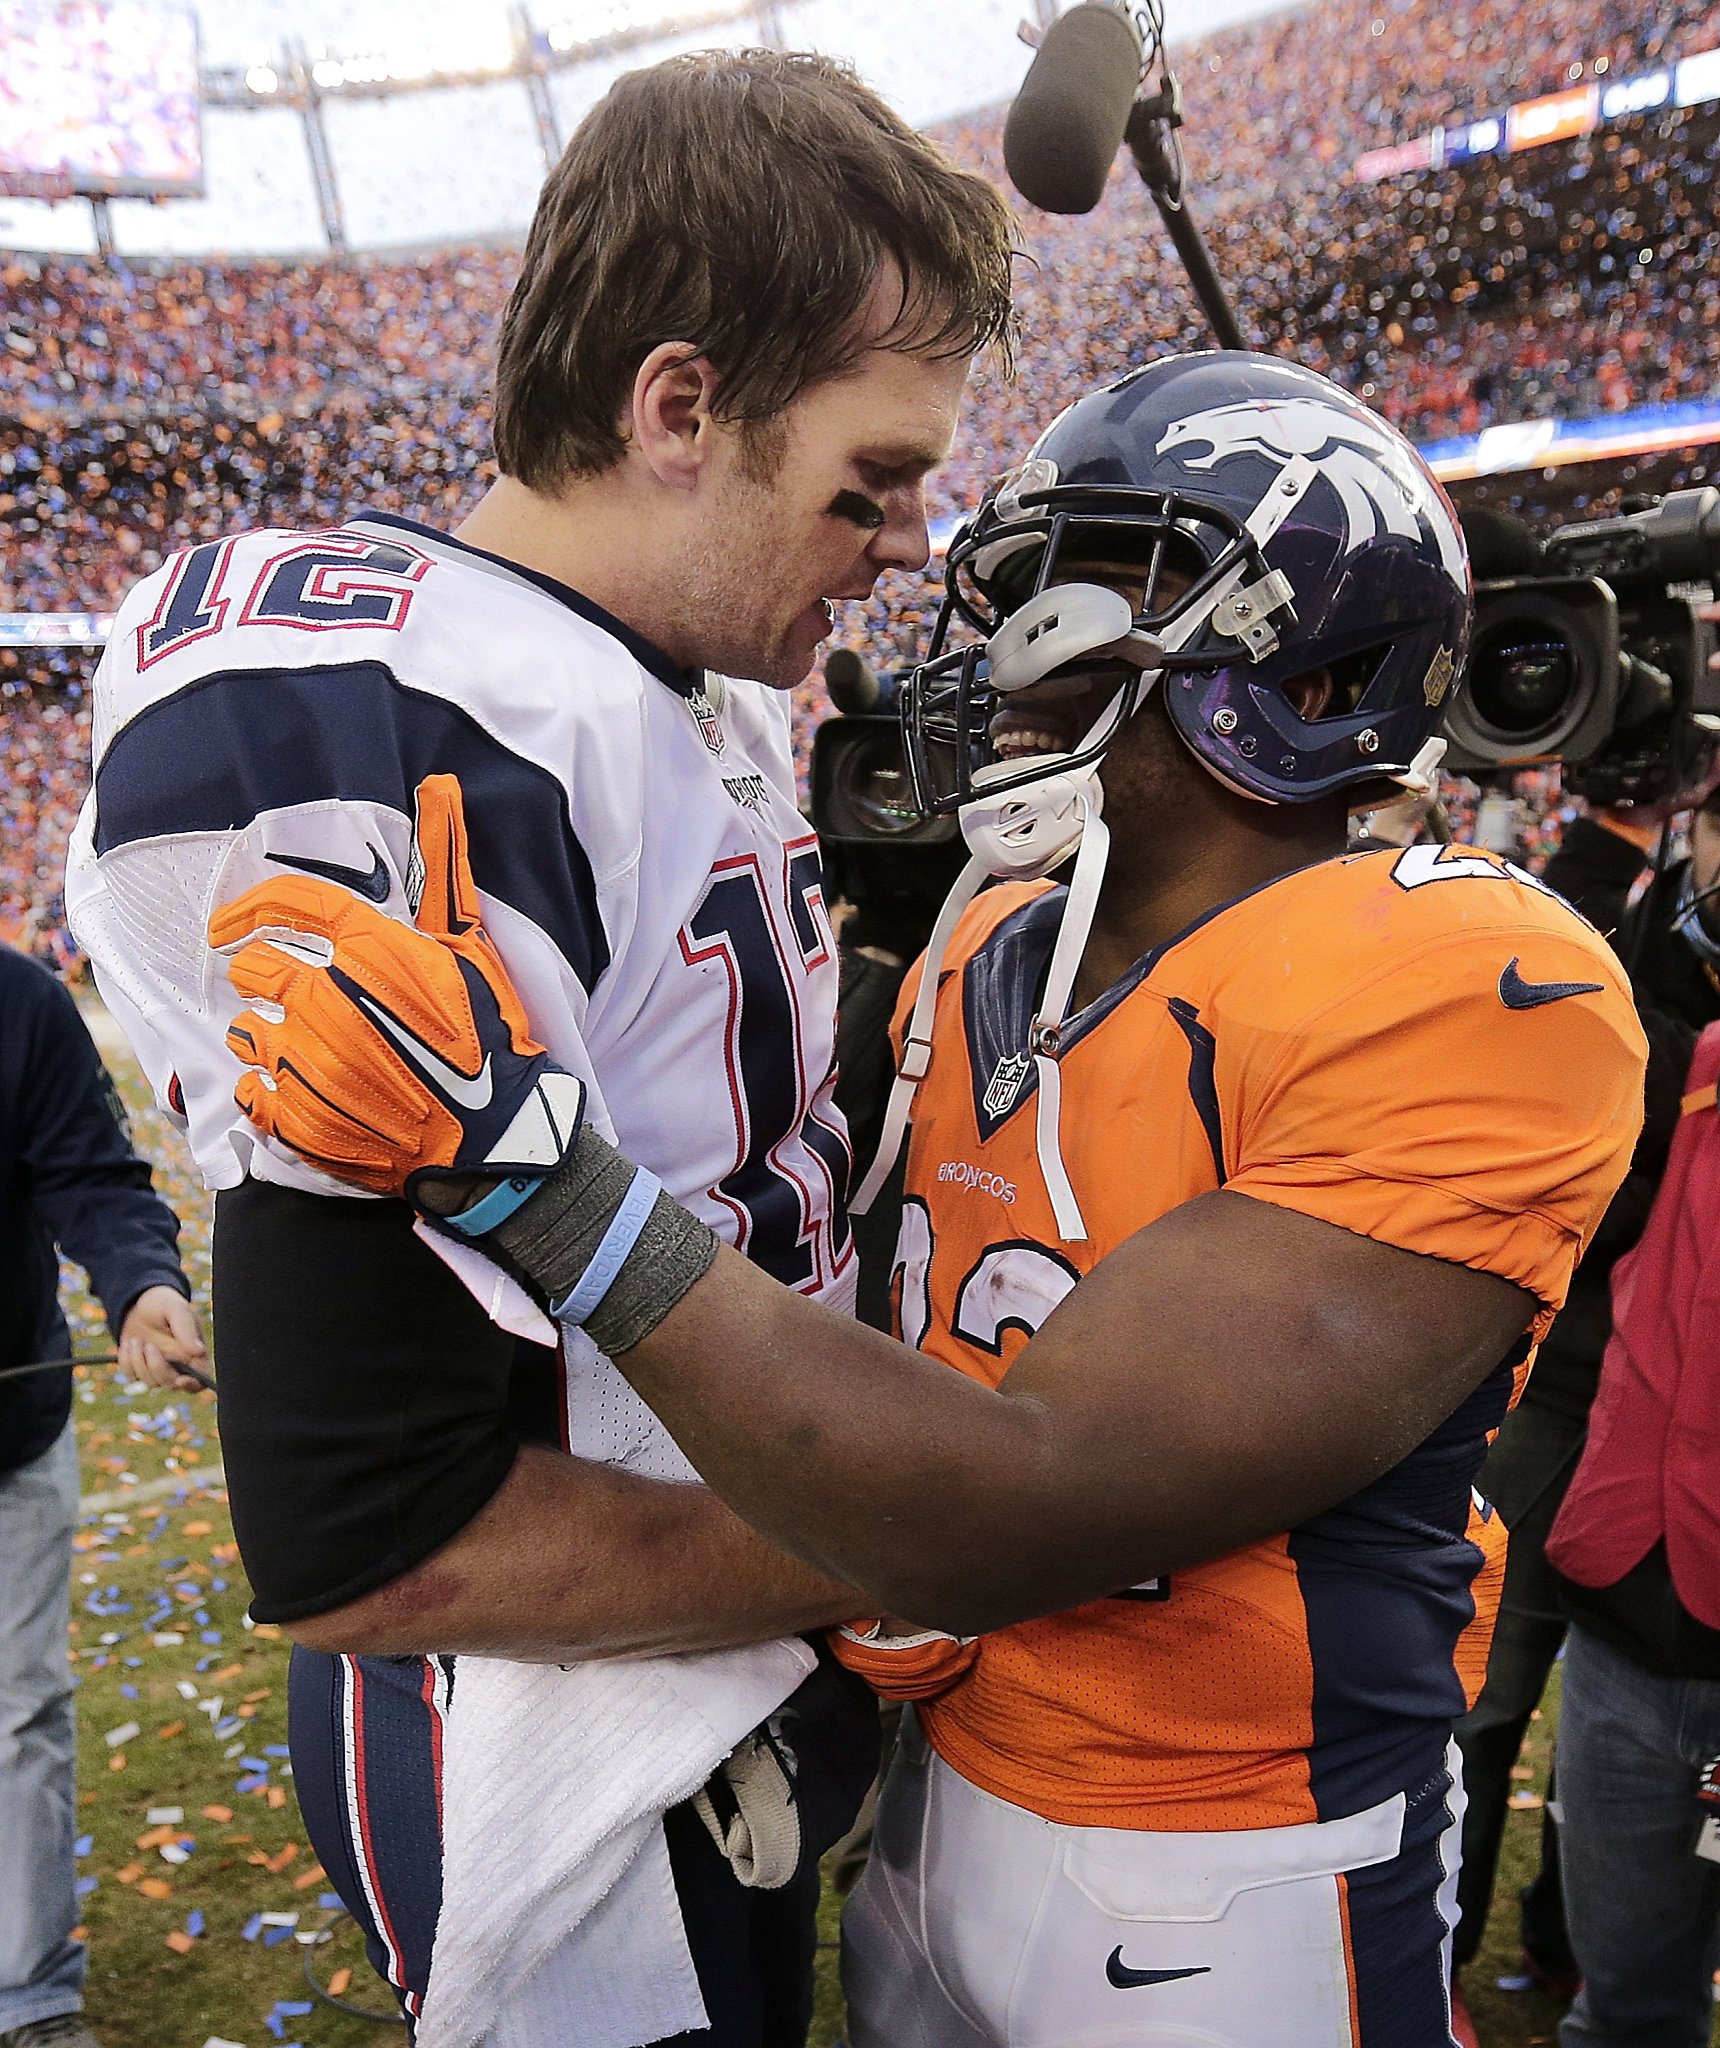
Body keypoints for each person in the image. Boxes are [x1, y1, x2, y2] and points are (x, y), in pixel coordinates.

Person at [206, 352, 1648, 2046]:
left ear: (1307, 667)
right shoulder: (991, 937)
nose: (1018, 644)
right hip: (944, 1797)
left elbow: (1029, 1497)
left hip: (1222, 1856)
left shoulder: (1467, 975)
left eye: (1098, 587)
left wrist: (547, 1184)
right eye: (1026, 580)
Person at [65, 47, 1014, 2047]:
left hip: (707, 1661)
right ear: (680, 406)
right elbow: (373, 1546)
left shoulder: (673, 694)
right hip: (550, 1741)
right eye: (873, 476)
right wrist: (878, 1528)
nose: (911, 536)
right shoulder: (432, 720)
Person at [1450, 788, 1720, 1997]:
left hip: (1664, 1423)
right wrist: (1606, 834)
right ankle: (1460, 1945)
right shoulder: (1650, 920)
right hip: (1576, 1394)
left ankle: (1571, 1938)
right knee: (1493, 1689)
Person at [1536, 801, 1720, 2048]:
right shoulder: (1691, 1069)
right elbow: (1549, 982)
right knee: (1625, 2013)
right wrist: (1606, 823)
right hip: (1621, 1619)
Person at [0, 943, 205, 2048]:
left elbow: (89, 1173)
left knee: (16, 1707)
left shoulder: (20, 999)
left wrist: (141, 1286)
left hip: (8, 1439)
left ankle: (29, 1991)